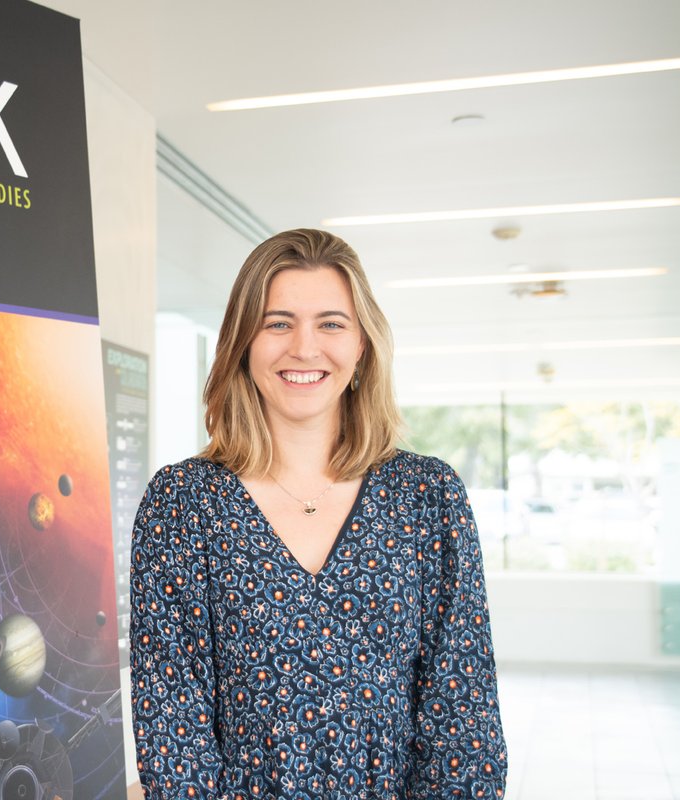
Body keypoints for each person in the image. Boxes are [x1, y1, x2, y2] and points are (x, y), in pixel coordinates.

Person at [130, 229, 507, 799]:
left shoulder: (427, 496)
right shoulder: (182, 503)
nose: (304, 348)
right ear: (242, 344)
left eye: (331, 323)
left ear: (362, 346)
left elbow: (464, 721)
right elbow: (172, 730)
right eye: (278, 323)